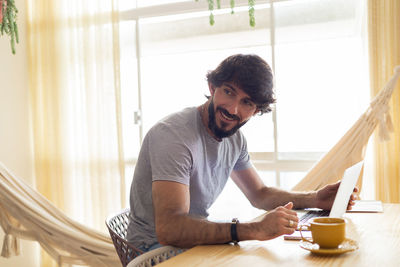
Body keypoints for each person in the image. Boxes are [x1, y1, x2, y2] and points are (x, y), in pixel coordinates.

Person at [126, 54, 357, 252]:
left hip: (191, 245)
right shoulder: (174, 136)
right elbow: (170, 230)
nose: (233, 109)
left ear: (257, 111)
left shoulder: (235, 139)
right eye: (228, 92)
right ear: (212, 88)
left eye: (247, 102)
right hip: (154, 250)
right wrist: (253, 229)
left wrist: (315, 199)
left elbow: (259, 193)